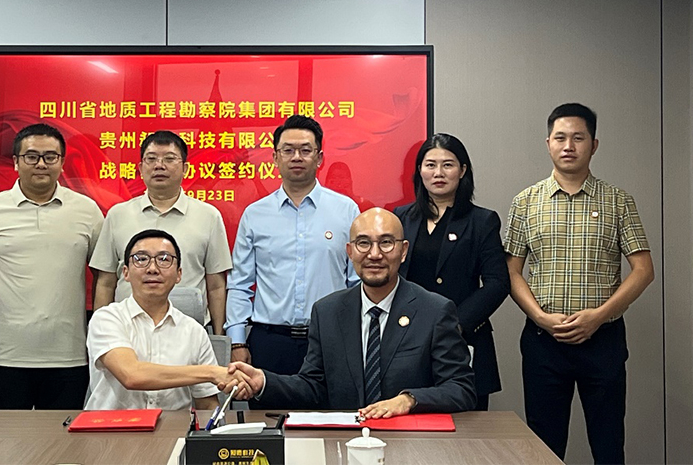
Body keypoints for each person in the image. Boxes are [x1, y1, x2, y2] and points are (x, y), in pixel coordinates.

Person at [504, 103, 654, 463]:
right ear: (548, 144)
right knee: (544, 447)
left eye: (578, 138)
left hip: (602, 340)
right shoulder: (525, 202)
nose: (568, 145)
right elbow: (510, 272)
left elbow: (643, 270)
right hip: (544, 340)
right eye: (560, 138)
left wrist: (598, 317)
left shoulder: (618, 201)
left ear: (594, 144)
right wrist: (541, 317)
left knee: (608, 444)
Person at [227, 208, 476, 414]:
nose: (374, 254)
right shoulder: (327, 312)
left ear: (403, 251)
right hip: (345, 441)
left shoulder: (434, 310)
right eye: (363, 243)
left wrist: (408, 400)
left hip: (410, 442)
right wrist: (263, 382)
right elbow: (313, 387)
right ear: (350, 252)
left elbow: (461, 389)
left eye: (386, 243)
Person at [0, 123, 105, 419]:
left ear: (62, 162)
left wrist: (100, 336)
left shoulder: (87, 211)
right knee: (5, 442)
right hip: (3, 356)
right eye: (31, 156)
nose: (41, 164)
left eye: (50, 156)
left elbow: (105, 276)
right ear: (16, 162)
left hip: (69, 356)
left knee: (62, 443)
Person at [226, 114, 360, 374]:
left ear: (319, 158)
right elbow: (240, 284)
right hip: (270, 342)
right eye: (288, 150)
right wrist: (238, 341)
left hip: (332, 340)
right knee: (269, 403)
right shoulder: (255, 215)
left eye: (305, 150)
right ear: (275, 158)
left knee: (334, 403)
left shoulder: (346, 211)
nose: (296, 157)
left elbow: (356, 282)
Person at [394, 133, 509, 411]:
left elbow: (497, 283)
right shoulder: (401, 217)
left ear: (463, 170)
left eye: (448, 165)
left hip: (463, 337)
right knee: (408, 421)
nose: (439, 173)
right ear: (419, 170)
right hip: (408, 341)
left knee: (468, 430)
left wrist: (454, 323)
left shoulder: (482, 220)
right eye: (430, 165)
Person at [86, 229, 248, 410]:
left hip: (175, 428)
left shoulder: (194, 331)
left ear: (179, 274)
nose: (152, 269)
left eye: (164, 259)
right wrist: (211, 372)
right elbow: (131, 375)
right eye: (141, 259)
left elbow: (207, 405)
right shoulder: (106, 319)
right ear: (126, 272)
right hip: (111, 427)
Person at [90, 131, 232, 333]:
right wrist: (100, 333)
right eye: (151, 159)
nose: (159, 165)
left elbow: (216, 285)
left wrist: (219, 335)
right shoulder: (118, 215)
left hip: (189, 332)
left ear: (185, 168)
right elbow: (105, 282)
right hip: (126, 331)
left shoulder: (208, 216)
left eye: (169, 159)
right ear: (140, 168)